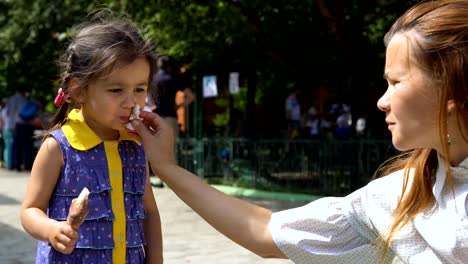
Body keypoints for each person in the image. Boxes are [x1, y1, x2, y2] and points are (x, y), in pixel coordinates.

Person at [129, 1, 467, 263]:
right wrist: (168, 168)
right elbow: (265, 231)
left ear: (450, 89)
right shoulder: (402, 195)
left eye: (396, 82)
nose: (382, 101)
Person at [20, 12, 163, 263]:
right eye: (116, 90)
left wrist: (155, 259)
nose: (131, 102)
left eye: (139, 89)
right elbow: (30, 210)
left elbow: (149, 212)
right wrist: (52, 230)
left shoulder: (135, 145)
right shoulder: (59, 146)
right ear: (78, 89)